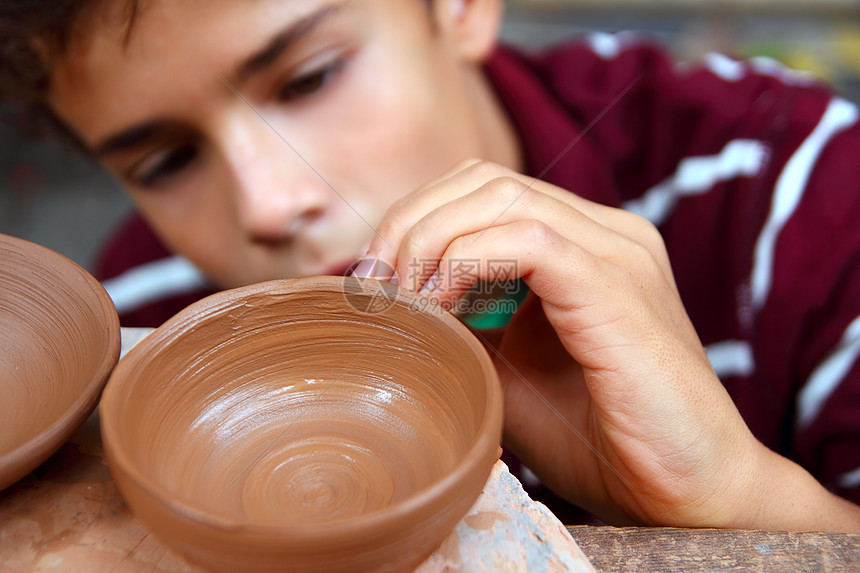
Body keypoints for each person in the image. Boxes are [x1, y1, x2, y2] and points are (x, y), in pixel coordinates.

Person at [2, 0, 860, 532]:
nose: (265, 203)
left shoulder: (788, 188)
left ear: (456, 5)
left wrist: (740, 500)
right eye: (163, 164)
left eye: (308, 78)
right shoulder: (138, 330)